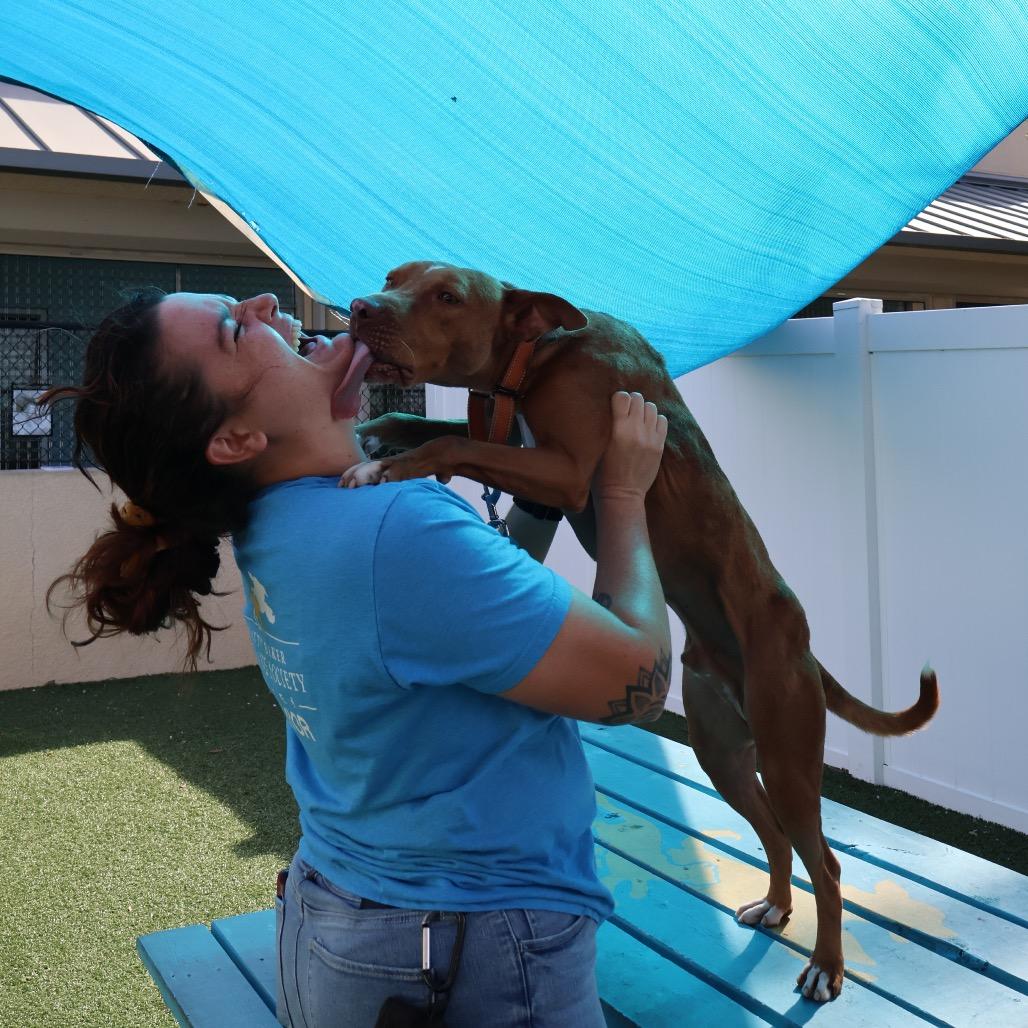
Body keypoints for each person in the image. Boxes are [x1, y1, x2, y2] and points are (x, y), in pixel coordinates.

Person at [44, 288, 672, 1027]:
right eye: (232, 330)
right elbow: (637, 680)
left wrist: (536, 493)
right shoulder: (395, 530)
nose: (262, 302)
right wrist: (623, 492)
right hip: (468, 945)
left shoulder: (285, 521)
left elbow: (461, 624)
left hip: (346, 916)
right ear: (237, 439)